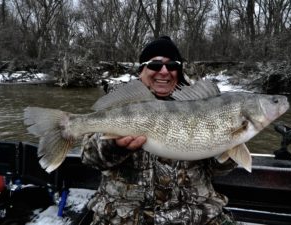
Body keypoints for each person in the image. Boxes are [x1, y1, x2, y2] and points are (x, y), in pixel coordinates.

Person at [81, 36, 237, 225]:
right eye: (155, 65)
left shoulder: (204, 105)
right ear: (142, 70)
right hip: (125, 218)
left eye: (172, 65)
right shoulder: (120, 103)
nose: (164, 71)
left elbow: (218, 170)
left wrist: (231, 144)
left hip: (194, 218)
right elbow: (89, 157)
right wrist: (114, 146)